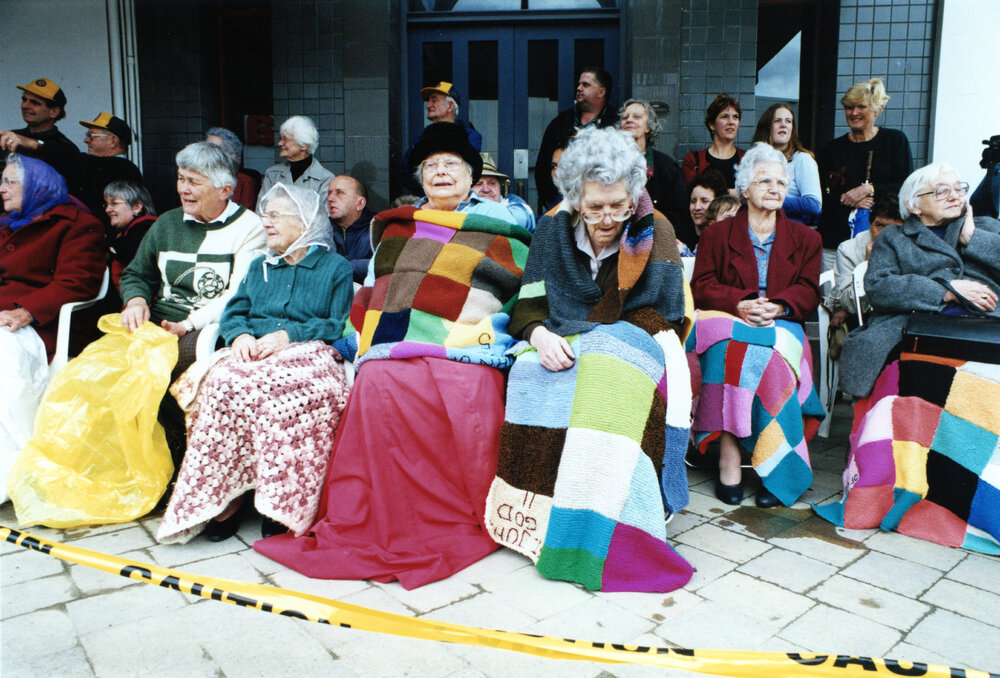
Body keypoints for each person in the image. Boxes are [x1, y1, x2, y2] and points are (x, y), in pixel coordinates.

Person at [253, 120, 531, 589]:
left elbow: (509, 290)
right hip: (396, 338)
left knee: (464, 384)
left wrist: (471, 331)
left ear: (470, 175)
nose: (441, 173)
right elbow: (382, 290)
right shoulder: (396, 226)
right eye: (432, 166)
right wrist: (355, 334)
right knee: (378, 382)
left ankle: (461, 508)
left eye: (452, 165)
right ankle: (381, 516)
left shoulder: (503, 224)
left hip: (467, 339)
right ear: (421, 177)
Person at [485, 126, 694, 592]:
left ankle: (615, 514)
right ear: (575, 197)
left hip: (639, 337)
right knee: (526, 371)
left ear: (633, 195)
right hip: (560, 332)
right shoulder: (550, 230)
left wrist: (594, 338)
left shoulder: (654, 229)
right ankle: (543, 508)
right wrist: (538, 335)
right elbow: (530, 302)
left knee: (606, 370)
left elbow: (665, 311)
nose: (606, 218)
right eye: (594, 206)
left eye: (618, 205)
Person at [156, 183, 353, 544]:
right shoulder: (260, 264)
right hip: (252, 351)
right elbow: (236, 311)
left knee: (286, 399)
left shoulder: (334, 267)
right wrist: (241, 336)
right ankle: (227, 499)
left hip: (309, 353)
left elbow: (337, 322)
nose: (267, 222)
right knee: (222, 385)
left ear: (305, 221)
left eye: (276, 215)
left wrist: (287, 337)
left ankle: (279, 502)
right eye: (265, 214)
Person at [821, 163, 1000, 553]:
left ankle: (973, 495)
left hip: (984, 338)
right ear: (914, 205)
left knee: (984, 386)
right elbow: (880, 287)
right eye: (941, 191)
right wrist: (947, 290)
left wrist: (972, 239)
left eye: (959, 188)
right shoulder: (896, 239)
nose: (955, 195)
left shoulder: (985, 227)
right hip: (914, 334)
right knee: (913, 380)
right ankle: (914, 487)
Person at [689, 142, 824, 508]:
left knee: (775, 356)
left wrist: (779, 306)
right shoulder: (717, 235)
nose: (775, 188)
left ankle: (773, 462)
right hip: (730, 318)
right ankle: (729, 456)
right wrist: (738, 303)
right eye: (765, 180)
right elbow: (701, 286)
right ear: (744, 188)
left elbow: (809, 291)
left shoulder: (807, 239)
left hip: (782, 321)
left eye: (782, 182)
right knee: (728, 351)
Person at [119, 141, 265, 459]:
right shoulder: (166, 223)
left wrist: (188, 324)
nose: (183, 189)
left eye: (194, 181)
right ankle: (138, 459)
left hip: (211, 325)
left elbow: (238, 294)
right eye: (181, 178)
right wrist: (136, 302)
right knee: (112, 363)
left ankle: (183, 452)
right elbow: (136, 275)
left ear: (225, 189)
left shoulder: (250, 228)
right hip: (161, 318)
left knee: (176, 360)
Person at [0, 153, 105, 360]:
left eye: (9, 182)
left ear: (35, 185)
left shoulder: (77, 225)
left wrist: (26, 312)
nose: (2, 189)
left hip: (39, 325)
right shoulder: (6, 223)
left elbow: (76, 283)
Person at [818, 78, 912, 269]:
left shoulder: (894, 141)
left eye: (861, 106)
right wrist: (848, 199)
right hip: (834, 242)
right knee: (834, 297)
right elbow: (821, 195)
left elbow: (905, 187)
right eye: (849, 107)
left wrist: (870, 190)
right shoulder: (832, 149)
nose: (854, 113)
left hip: (884, 242)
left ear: (877, 109)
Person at [535, 68, 619, 211]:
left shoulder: (616, 124)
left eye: (586, 85)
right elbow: (542, 165)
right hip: (560, 201)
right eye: (579, 84)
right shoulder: (561, 122)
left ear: (601, 92)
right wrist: (549, 199)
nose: (579, 88)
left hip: (601, 203)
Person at [618, 98, 689, 242]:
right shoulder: (609, 163)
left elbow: (678, 214)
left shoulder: (667, 167)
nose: (629, 120)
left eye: (637, 117)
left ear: (648, 127)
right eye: (625, 117)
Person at [830, 193, 901, 326]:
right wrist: (868, 267)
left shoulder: (911, 248)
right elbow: (850, 306)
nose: (884, 235)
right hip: (862, 320)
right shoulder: (848, 250)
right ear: (870, 224)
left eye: (893, 228)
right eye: (879, 225)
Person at [0, 78, 81, 193]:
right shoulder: (10, 136)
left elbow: (61, 154)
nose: (25, 105)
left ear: (54, 112)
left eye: (34, 103)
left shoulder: (65, 147)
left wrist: (33, 144)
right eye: (24, 100)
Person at [400, 82, 482, 195]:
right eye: (428, 101)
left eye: (434, 100)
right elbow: (406, 174)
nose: (428, 105)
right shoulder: (421, 139)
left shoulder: (470, 137)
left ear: (450, 106)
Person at [752, 103, 821, 225]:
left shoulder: (802, 159)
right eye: (777, 121)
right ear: (767, 126)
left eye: (788, 121)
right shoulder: (755, 160)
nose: (783, 124)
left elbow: (814, 204)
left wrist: (768, 200)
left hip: (788, 231)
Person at [77, 113, 144, 223]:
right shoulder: (108, 166)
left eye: (91, 136)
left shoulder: (123, 169)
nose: (86, 140)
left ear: (113, 140)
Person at [259, 116, 334, 201]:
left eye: (285, 139)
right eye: (280, 139)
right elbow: (261, 210)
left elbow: (323, 213)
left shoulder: (325, 179)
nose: (280, 143)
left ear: (304, 145)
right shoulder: (272, 174)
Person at [682, 94, 745, 191]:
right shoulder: (693, 160)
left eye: (735, 117)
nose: (731, 122)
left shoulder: (747, 159)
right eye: (725, 117)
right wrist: (736, 194)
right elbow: (695, 195)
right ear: (712, 125)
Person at [103, 180, 157, 293]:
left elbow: (126, 252)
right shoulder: (122, 230)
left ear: (137, 207)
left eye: (114, 203)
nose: (108, 209)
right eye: (107, 204)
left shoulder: (146, 227)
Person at [327, 175, 375, 283]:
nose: (330, 199)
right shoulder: (321, 229)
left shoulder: (378, 227)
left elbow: (384, 264)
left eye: (339, 193)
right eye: (329, 193)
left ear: (360, 203)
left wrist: (343, 268)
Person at [472, 152, 535, 232]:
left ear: (499, 187)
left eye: (492, 183)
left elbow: (521, 220)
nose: (486, 189)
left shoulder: (513, 202)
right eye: (478, 184)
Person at [205, 127, 260, 211]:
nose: (205, 154)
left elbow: (246, 215)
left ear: (231, 155)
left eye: (213, 149)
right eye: (204, 149)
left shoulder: (245, 182)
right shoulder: (198, 178)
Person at [684, 169, 728, 252]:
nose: (697, 207)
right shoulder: (681, 237)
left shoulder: (725, 240)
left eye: (704, 201)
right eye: (693, 201)